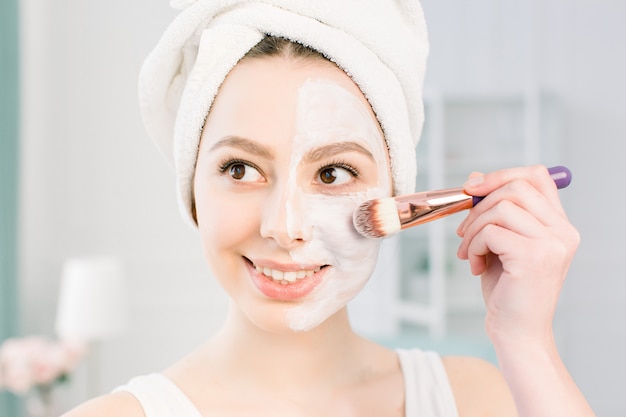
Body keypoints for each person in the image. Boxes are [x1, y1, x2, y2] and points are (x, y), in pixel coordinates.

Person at [64, 1, 596, 416]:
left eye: (333, 173)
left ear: (394, 191)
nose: (285, 226)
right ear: (193, 190)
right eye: (240, 169)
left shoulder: (474, 399)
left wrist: (528, 340)